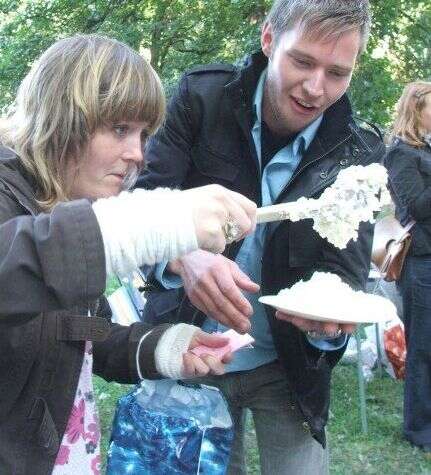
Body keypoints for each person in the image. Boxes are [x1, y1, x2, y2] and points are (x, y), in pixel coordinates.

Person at [138, 0, 386, 473]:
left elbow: (347, 270)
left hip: (289, 367)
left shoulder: (358, 149)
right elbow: (144, 201)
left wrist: (329, 320)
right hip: (189, 348)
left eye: (337, 73)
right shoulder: (202, 98)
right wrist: (183, 255)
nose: (315, 88)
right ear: (269, 39)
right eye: (303, 62)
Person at [0, 34, 257, 475]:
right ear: (63, 117)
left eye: (143, 134)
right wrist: (149, 225)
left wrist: (165, 348)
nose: (137, 154)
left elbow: (82, 335)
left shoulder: (61, 206)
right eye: (119, 129)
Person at [384, 81, 431, 453]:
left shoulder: (427, 150)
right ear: (417, 109)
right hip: (421, 261)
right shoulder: (401, 153)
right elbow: (416, 206)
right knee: (424, 346)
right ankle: (419, 429)